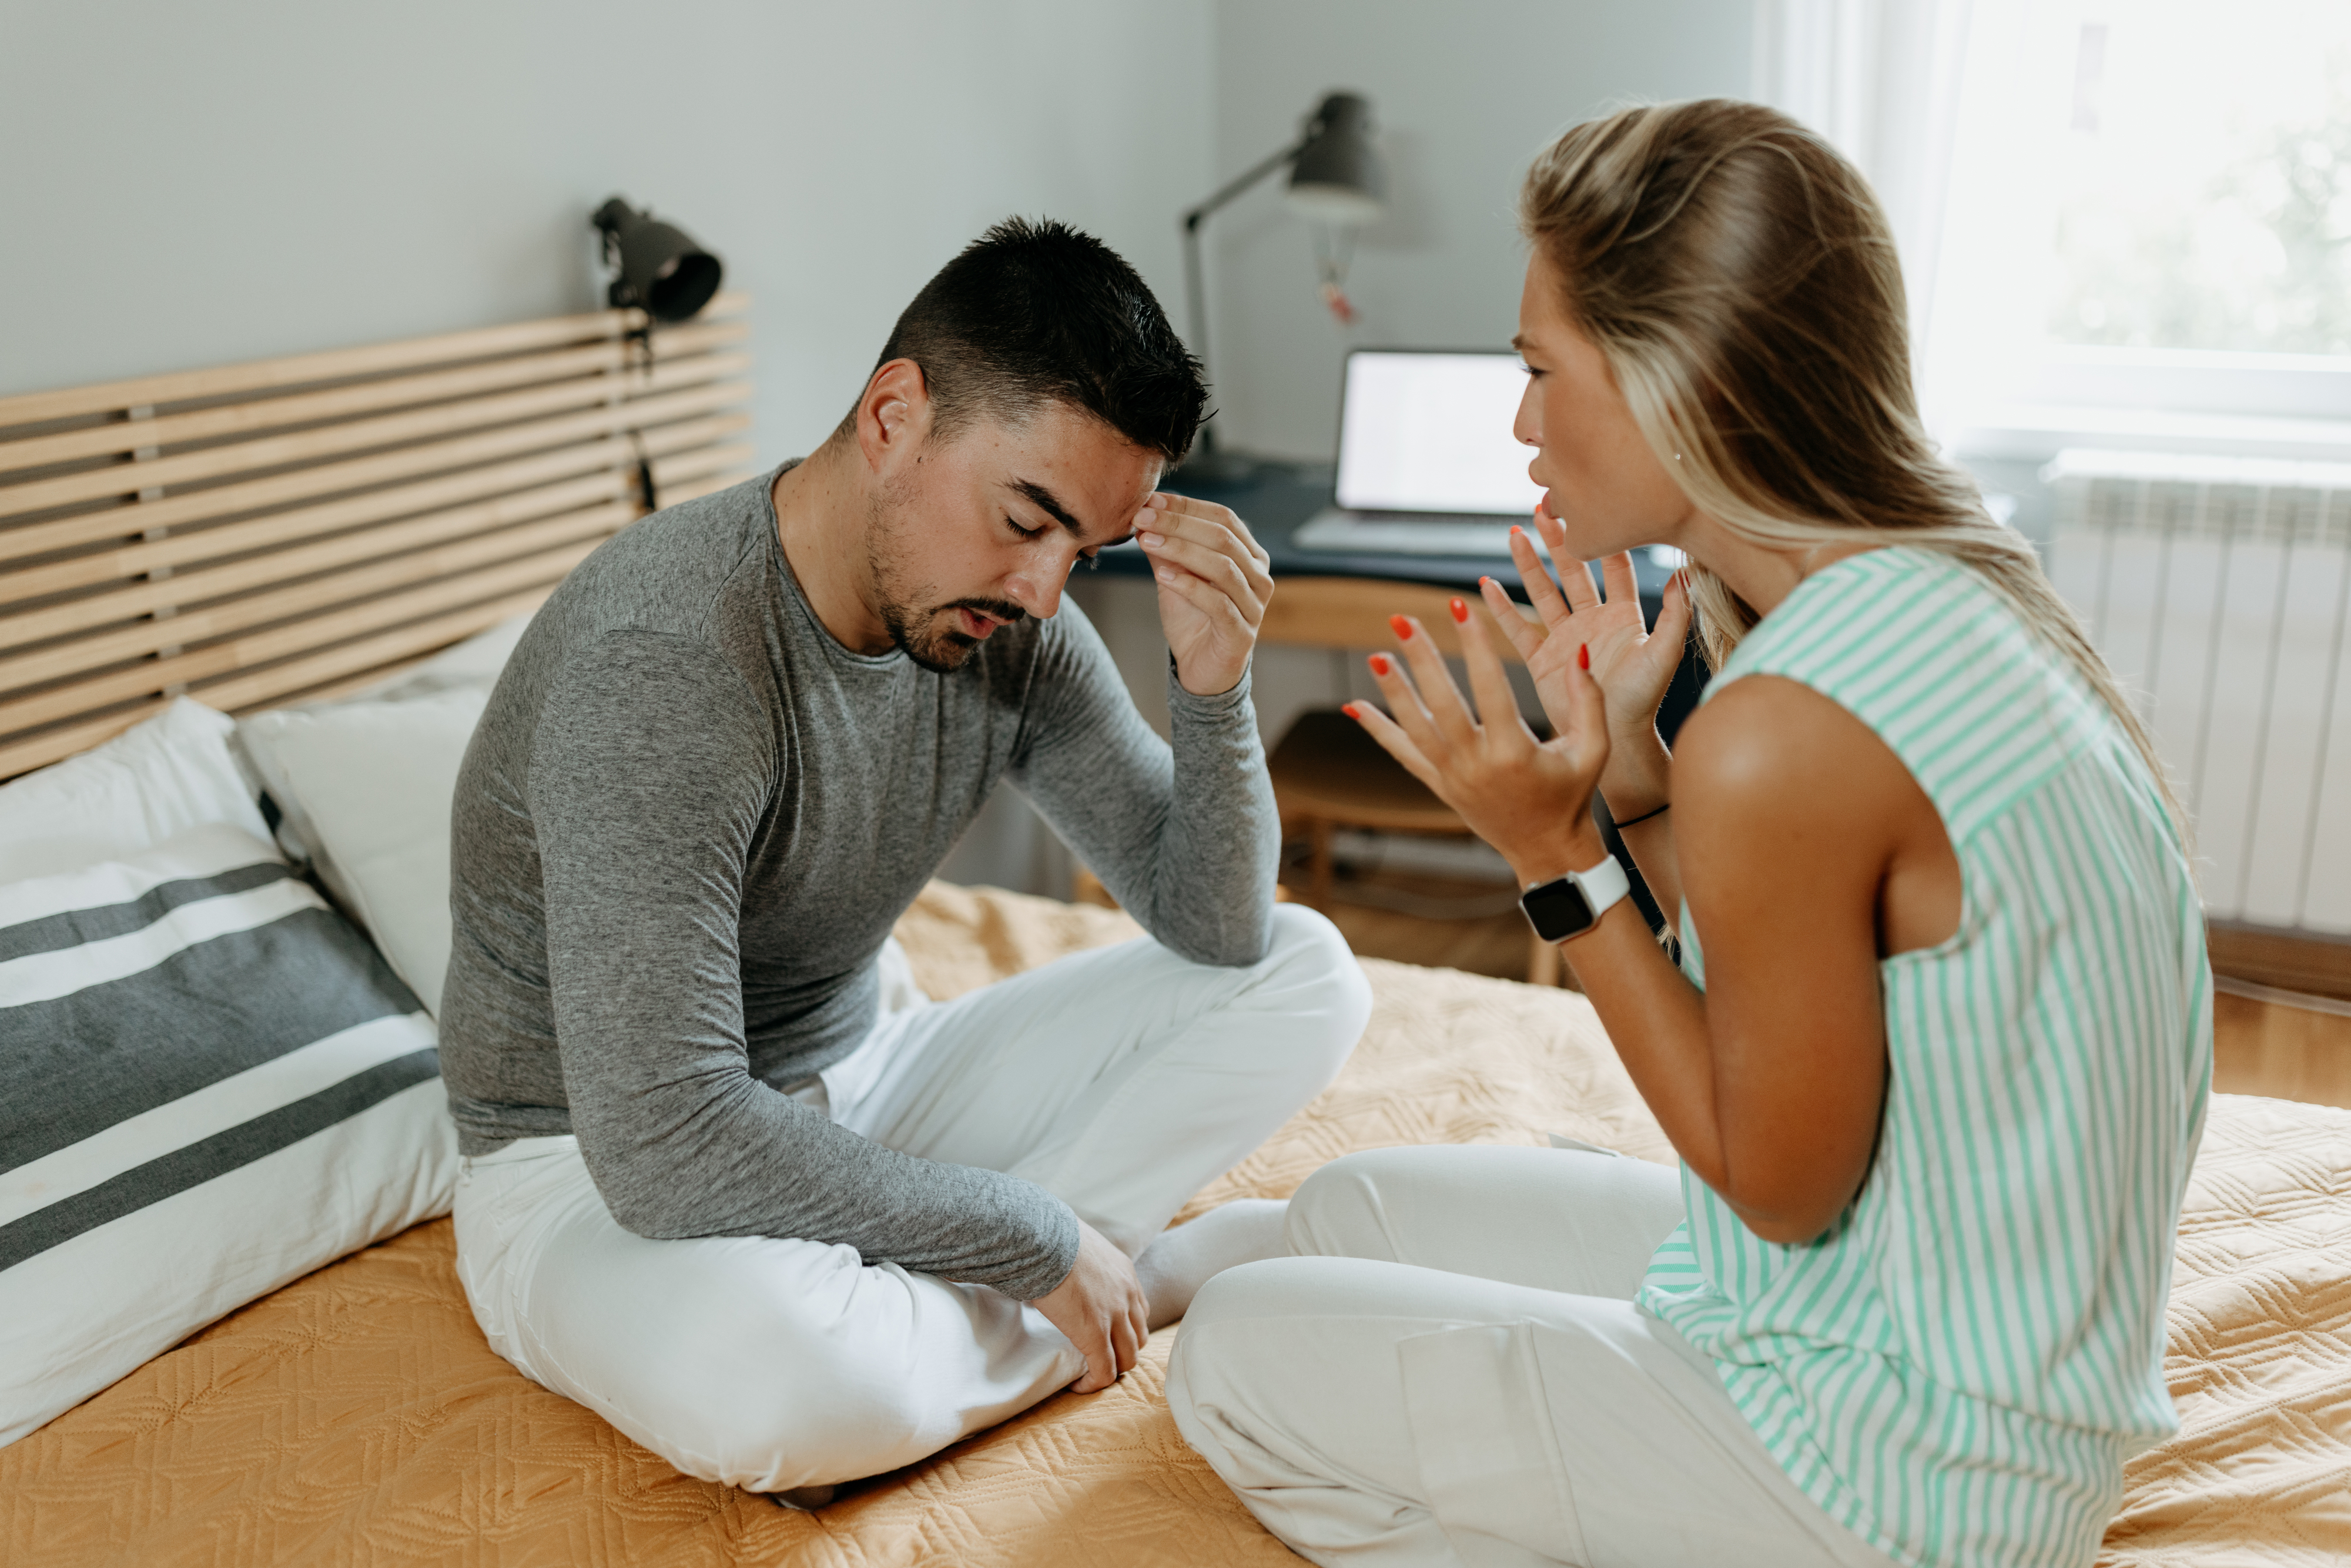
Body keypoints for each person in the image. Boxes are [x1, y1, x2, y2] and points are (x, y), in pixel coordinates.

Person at [1167, 100, 2211, 1568]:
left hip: (1903, 1468)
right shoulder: (1940, 587)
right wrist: (1643, 778)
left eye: (1538, 368)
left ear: (1681, 376)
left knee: (1234, 1354)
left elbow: (1774, 1180)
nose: (1519, 421)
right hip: (1930, 1338)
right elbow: (1794, 981)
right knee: (1345, 1205)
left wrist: (1550, 855)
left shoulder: (1788, 723)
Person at [437, 217, 1371, 1502]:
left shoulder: (1006, 626)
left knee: (1311, 969)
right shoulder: (665, 657)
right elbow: (662, 1143)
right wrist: (1031, 1234)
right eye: (1025, 518)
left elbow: (1214, 929)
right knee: (771, 1386)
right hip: (585, 1170)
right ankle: (1126, 1277)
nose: (1047, 593)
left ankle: (990, 1302)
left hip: (866, 1070)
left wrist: (1212, 691)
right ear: (892, 416)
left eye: (1081, 551)